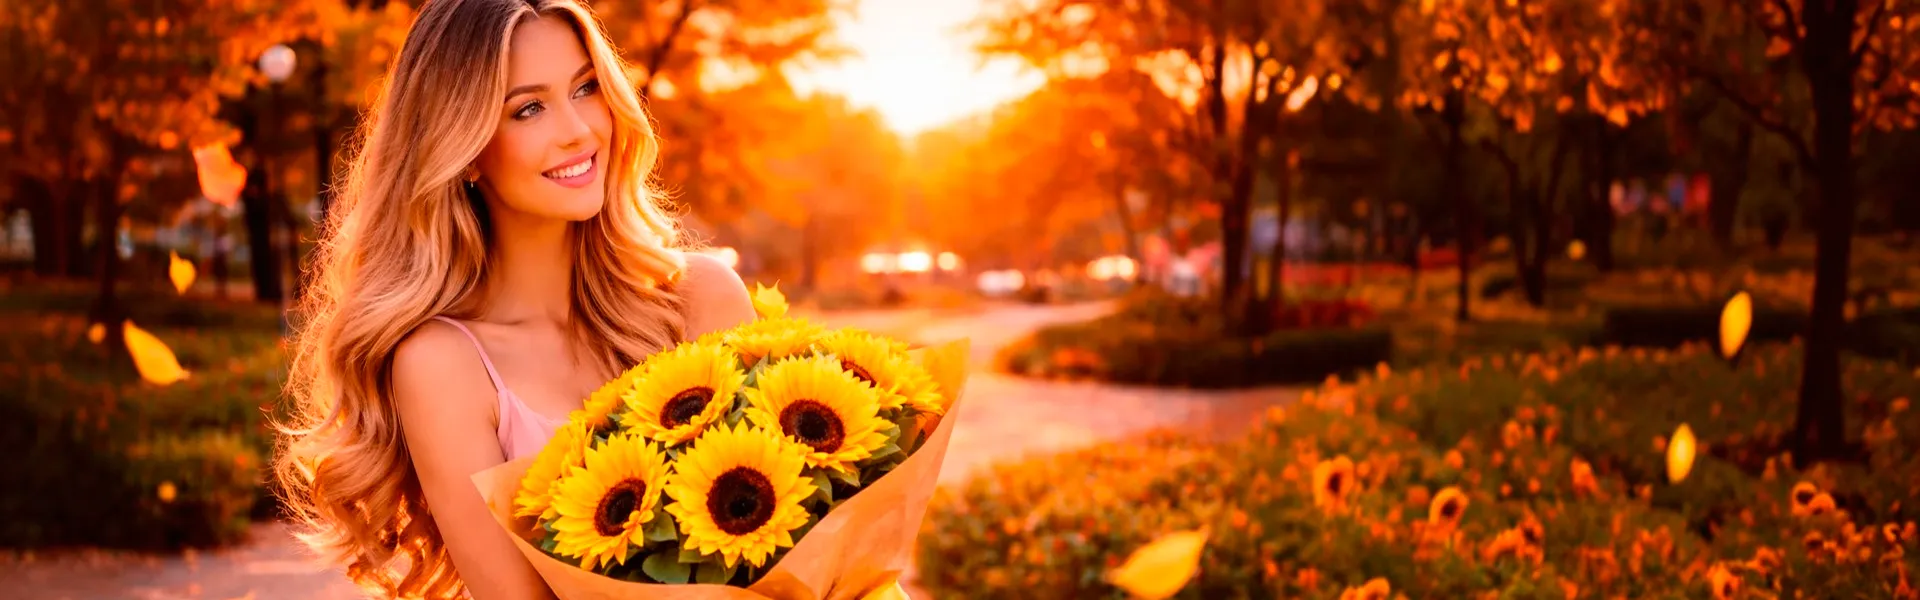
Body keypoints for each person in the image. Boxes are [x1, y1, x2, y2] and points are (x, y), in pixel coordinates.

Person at [272, 0, 755, 597]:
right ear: (466, 148)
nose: (578, 130)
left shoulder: (702, 299)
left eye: (585, 88)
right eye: (528, 109)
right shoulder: (444, 366)